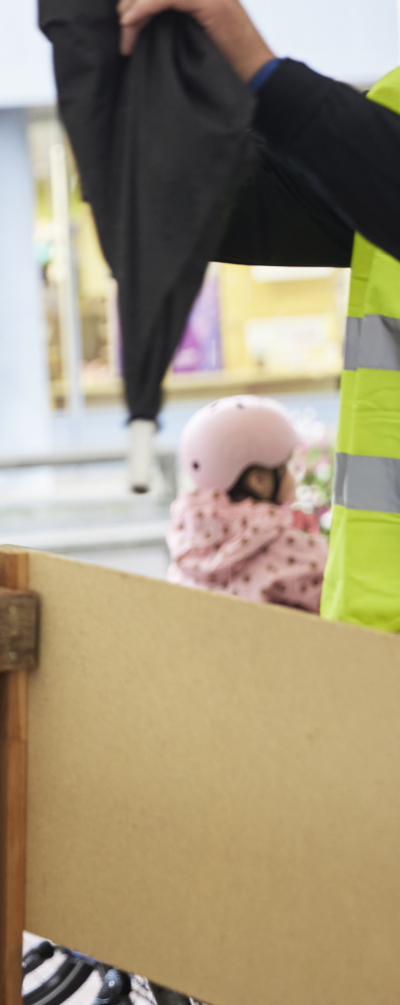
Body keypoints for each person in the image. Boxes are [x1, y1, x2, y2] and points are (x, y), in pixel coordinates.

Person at [120, 0, 400, 630]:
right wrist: (142, 86)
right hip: (375, 638)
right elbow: (213, 210)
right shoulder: (394, 105)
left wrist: (258, 68)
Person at [166, 396, 327, 610]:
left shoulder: (188, 544)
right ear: (259, 481)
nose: (294, 475)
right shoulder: (288, 546)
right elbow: (336, 598)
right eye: (287, 466)